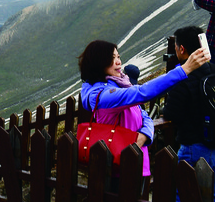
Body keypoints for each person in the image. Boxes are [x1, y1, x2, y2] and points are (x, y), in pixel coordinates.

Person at [79, 40, 210, 178]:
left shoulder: (121, 86)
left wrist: (144, 135)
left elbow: (144, 116)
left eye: (118, 56)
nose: (118, 62)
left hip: (136, 164)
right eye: (111, 58)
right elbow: (143, 92)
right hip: (118, 170)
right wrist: (185, 69)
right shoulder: (106, 96)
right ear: (98, 62)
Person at [163, 26, 215, 202]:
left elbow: (172, 113)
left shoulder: (182, 76)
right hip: (213, 144)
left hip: (193, 146)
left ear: (182, 49)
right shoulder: (213, 69)